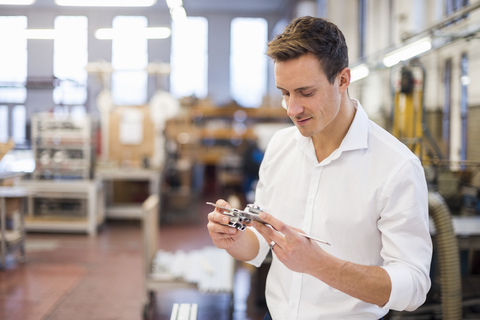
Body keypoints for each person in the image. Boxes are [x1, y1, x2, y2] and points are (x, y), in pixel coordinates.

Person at [207, 16, 432, 320]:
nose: (291, 109)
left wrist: (318, 263)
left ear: (342, 80)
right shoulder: (279, 147)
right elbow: (262, 241)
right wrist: (235, 240)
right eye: (285, 92)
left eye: (306, 92)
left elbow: (414, 287)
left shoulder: (396, 166)